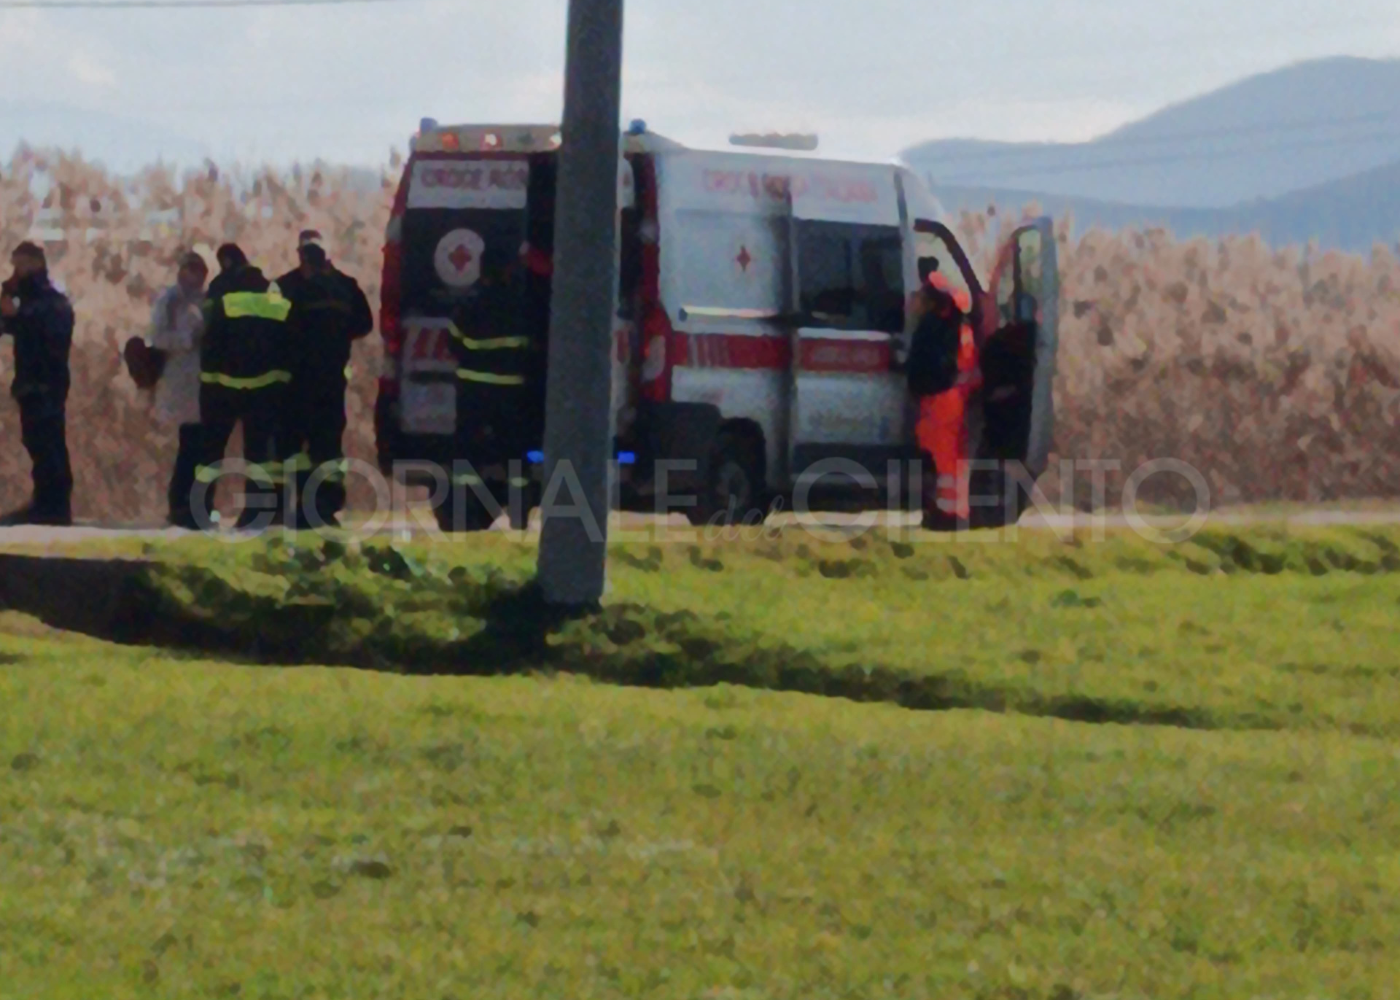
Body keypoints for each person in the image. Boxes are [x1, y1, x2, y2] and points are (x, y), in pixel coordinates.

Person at [192, 243, 297, 530]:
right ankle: (257, 514)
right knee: (259, 454)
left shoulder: (221, 287)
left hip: (223, 386)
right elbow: (286, 338)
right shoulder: (271, 290)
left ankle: (202, 512)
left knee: (211, 451)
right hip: (265, 387)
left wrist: (207, 376)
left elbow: (209, 335)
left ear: (225, 261)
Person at [276, 230, 372, 529]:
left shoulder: (287, 286)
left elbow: (272, 330)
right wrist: (338, 339)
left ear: (301, 255)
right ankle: (324, 507)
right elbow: (364, 324)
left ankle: (297, 506)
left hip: (296, 380)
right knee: (327, 444)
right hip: (331, 378)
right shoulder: (345, 286)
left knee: (294, 443)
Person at [447, 245, 532, 525]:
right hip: (510, 392)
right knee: (515, 454)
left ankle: (461, 513)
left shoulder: (472, 303)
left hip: (472, 390)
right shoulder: (520, 305)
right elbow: (531, 346)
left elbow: (453, 341)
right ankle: (519, 516)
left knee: (467, 452)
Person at [0, 242, 75, 526]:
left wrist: (16, 315)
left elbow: (51, 329)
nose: (15, 271)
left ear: (34, 262)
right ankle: (44, 501)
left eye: (19, 264)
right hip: (29, 381)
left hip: (47, 381)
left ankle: (55, 505)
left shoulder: (49, 297)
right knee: (35, 440)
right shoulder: (26, 298)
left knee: (49, 442)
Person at [906, 267, 981, 530]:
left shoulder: (936, 327)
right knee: (946, 459)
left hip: (941, 400)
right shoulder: (958, 326)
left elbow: (931, 366)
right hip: (947, 399)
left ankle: (946, 515)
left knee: (943, 460)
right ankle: (946, 512)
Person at [147, 251, 209, 529]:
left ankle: (193, 505)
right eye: (191, 269)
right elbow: (158, 338)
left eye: (199, 270)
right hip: (181, 382)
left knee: (198, 446)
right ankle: (180, 504)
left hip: (203, 383)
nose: (195, 275)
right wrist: (188, 339)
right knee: (189, 445)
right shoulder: (169, 300)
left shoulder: (207, 300)